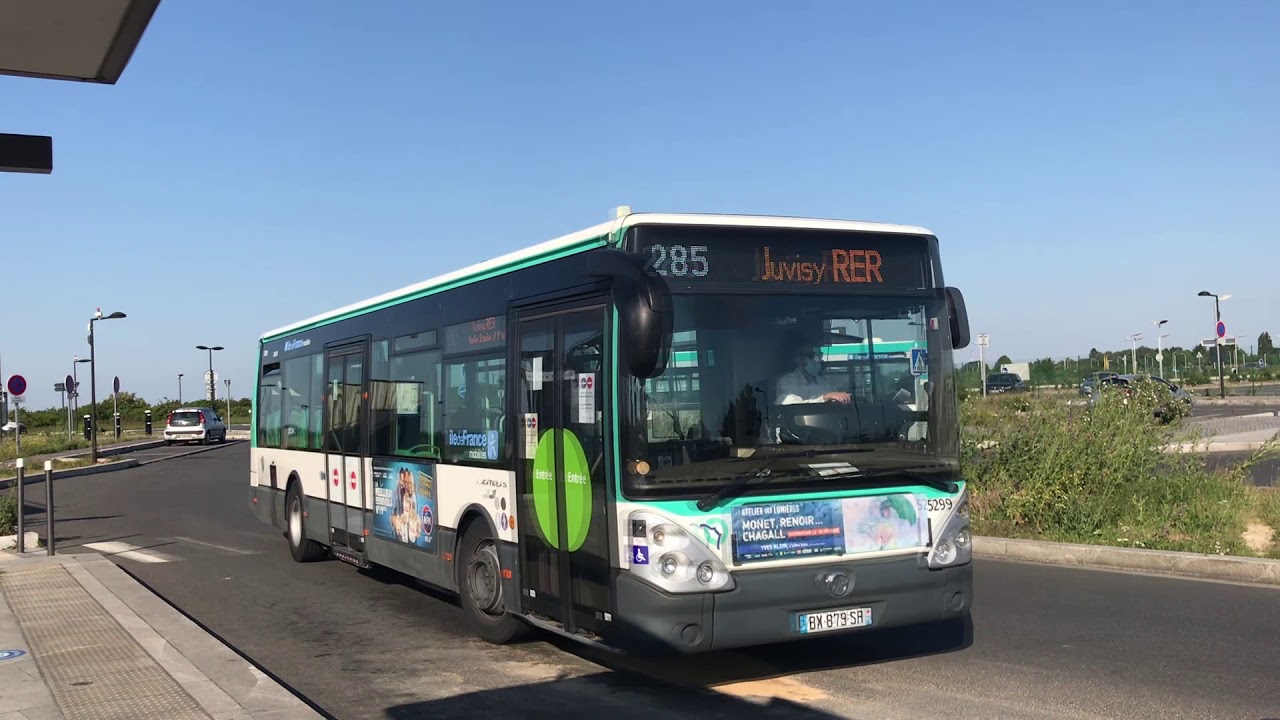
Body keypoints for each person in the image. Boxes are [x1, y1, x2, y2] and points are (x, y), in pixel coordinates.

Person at [775, 342, 851, 404]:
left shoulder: (824, 382)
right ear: (798, 359)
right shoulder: (787, 382)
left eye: (819, 355)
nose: (817, 359)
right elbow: (793, 405)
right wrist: (824, 398)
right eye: (811, 355)